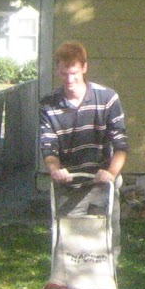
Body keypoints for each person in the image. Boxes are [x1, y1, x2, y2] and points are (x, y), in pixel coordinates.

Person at [39, 41, 128, 186]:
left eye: (74, 73)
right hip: (68, 182)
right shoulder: (48, 104)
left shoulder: (108, 98)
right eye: (64, 74)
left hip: (103, 181)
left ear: (84, 68)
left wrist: (111, 173)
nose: (69, 80)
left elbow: (121, 144)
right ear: (57, 70)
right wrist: (55, 170)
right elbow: (48, 146)